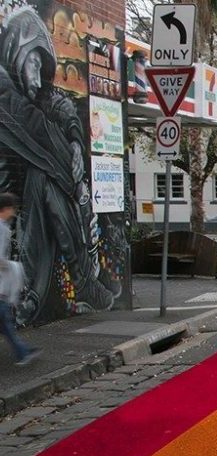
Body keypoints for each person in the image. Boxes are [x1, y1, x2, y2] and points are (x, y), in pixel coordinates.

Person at [0, 8, 115, 323]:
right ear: (14, 51)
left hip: (23, 214)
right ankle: (84, 277)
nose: (36, 76)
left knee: (44, 175)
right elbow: (39, 128)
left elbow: (59, 105)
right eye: (32, 63)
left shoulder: (33, 89)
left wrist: (77, 139)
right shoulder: (3, 86)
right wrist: (77, 183)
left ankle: (54, 289)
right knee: (51, 167)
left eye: (40, 64)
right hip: (8, 210)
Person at [0, 193, 39, 365]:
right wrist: (14, 269)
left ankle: (23, 352)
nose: (14, 213)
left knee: (5, 324)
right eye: (12, 208)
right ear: (6, 209)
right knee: (5, 321)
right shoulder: (2, 229)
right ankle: (23, 352)